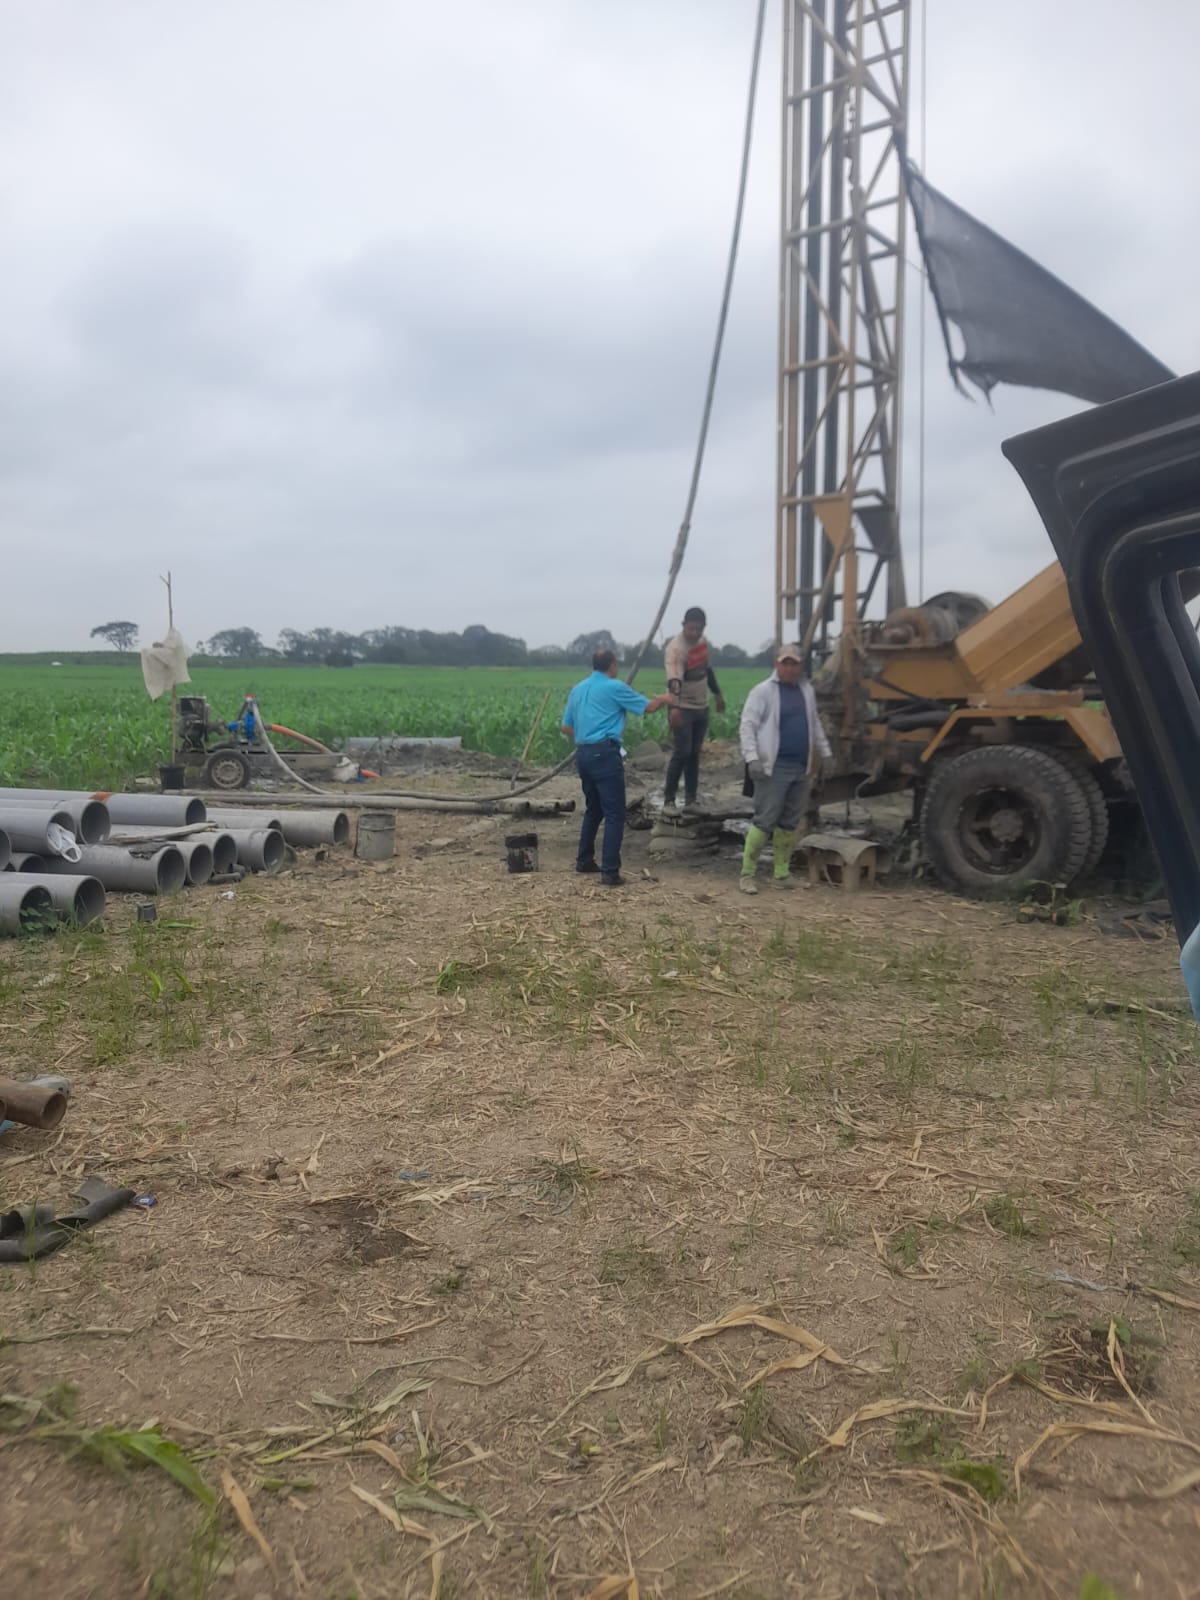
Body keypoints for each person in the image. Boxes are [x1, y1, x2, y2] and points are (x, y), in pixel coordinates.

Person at [562, 650, 670, 887]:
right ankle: (610, 872)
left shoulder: (578, 689)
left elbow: (566, 726)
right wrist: (666, 699)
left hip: (583, 754)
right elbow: (649, 708)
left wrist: (587, 735)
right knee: (615, 813)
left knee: (594, 810)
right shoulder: (615, 687)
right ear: (612, 665)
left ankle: (584, 860)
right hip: (605, 754)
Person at [737, 643, 830, 894]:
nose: (789, 668)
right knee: (765, 820)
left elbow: (815, 724)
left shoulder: (806, 691)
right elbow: (747, 726)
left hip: (800, 766)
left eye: (794, 664)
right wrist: (752, 758)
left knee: (789, 821)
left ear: (800, 666)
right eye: (785, 663)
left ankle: (781, 874)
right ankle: (747, 874)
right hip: (773, 766)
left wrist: (825, 753)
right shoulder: (763, 691)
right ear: (776, 664)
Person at [662, 606, 726, 814]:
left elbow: (707, 669)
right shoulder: (676, 649)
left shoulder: (701, 642)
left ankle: (691, 800)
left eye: (699, 629)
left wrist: (717, 694)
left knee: (694, 754)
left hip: (701, 706)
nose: (695, 633)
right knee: (682, 752)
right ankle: (669, 801)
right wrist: (674, 709)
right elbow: (674, 681)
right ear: (683, 625)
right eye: (691, 629)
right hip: (682, 708)